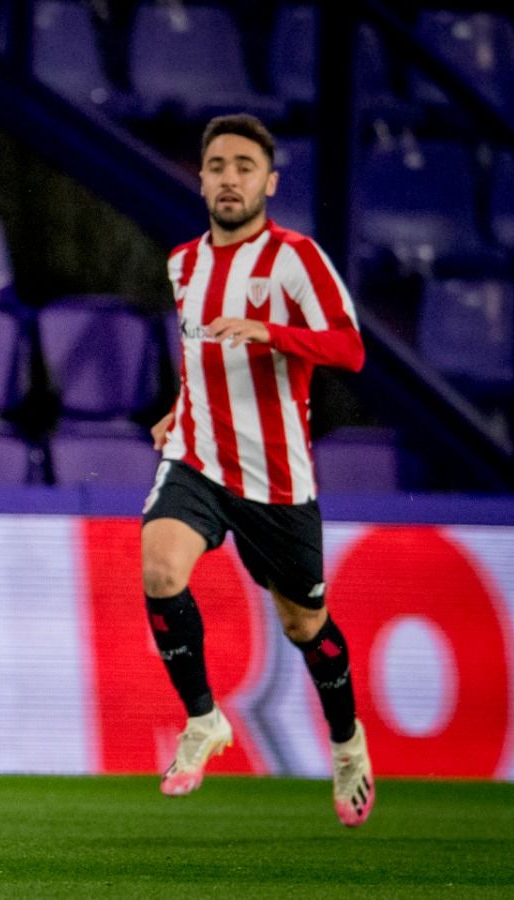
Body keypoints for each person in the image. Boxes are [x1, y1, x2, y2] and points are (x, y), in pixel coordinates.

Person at [143, 113, 374, 827]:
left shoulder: (296, 259)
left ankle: (347, 745)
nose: (229, 178)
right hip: (199, 458)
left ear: (269, 181)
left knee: (306, 623)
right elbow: (200, 361)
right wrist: (179, 411)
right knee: (159, 568)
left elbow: (350, 350)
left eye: (244, 166)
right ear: (203, 178)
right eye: (217, 165)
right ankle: (205, 719)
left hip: (276, 478)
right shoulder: (184, 264)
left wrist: (271, 332)